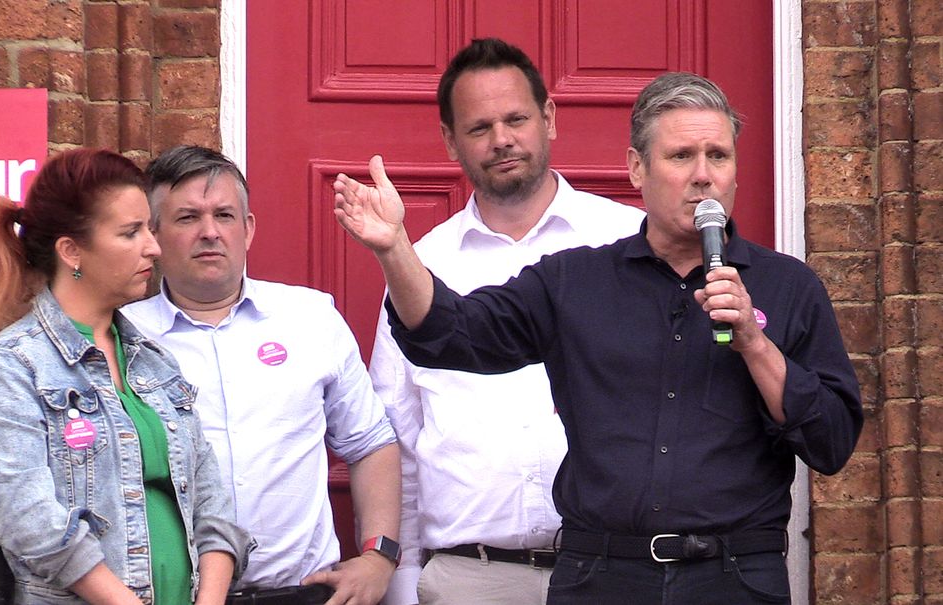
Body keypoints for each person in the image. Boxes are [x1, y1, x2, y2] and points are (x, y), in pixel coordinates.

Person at [332, 72, 864, 604]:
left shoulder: (789, 286)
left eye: (718, 156)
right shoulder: (573, 281)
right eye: (681, 157)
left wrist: (754, 343)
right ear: (637, 168)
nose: (704, 177)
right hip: (602, 576)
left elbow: (832, 442)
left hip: (733, 576)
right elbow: (452, 335)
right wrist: (395, 248)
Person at [368, 38, 644, 605]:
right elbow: (397, 436)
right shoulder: (421, 267)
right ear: (450, 141)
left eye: (517, 118)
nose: (502, 139)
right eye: (479, 127)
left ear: (548, 118)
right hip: (470, 578)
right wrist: (401, 581)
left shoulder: (629, 242)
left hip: (618, 572)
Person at [0, 148, 253, 604]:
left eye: (149, 229)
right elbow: (33, 525)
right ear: (71, 250)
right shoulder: (14, 366)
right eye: (131, 232)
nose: (153, 247)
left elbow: (213, 505)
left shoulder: (153, 360)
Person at [120, 145, 401, 605]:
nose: (210, 232)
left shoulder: (310, 317)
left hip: (303, 593)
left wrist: (379, 556)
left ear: (247, 229)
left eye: (225, 216)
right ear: (154, 234)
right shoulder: (123, 337)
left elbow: (370, 442)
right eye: (188, 217)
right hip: (171, 595)